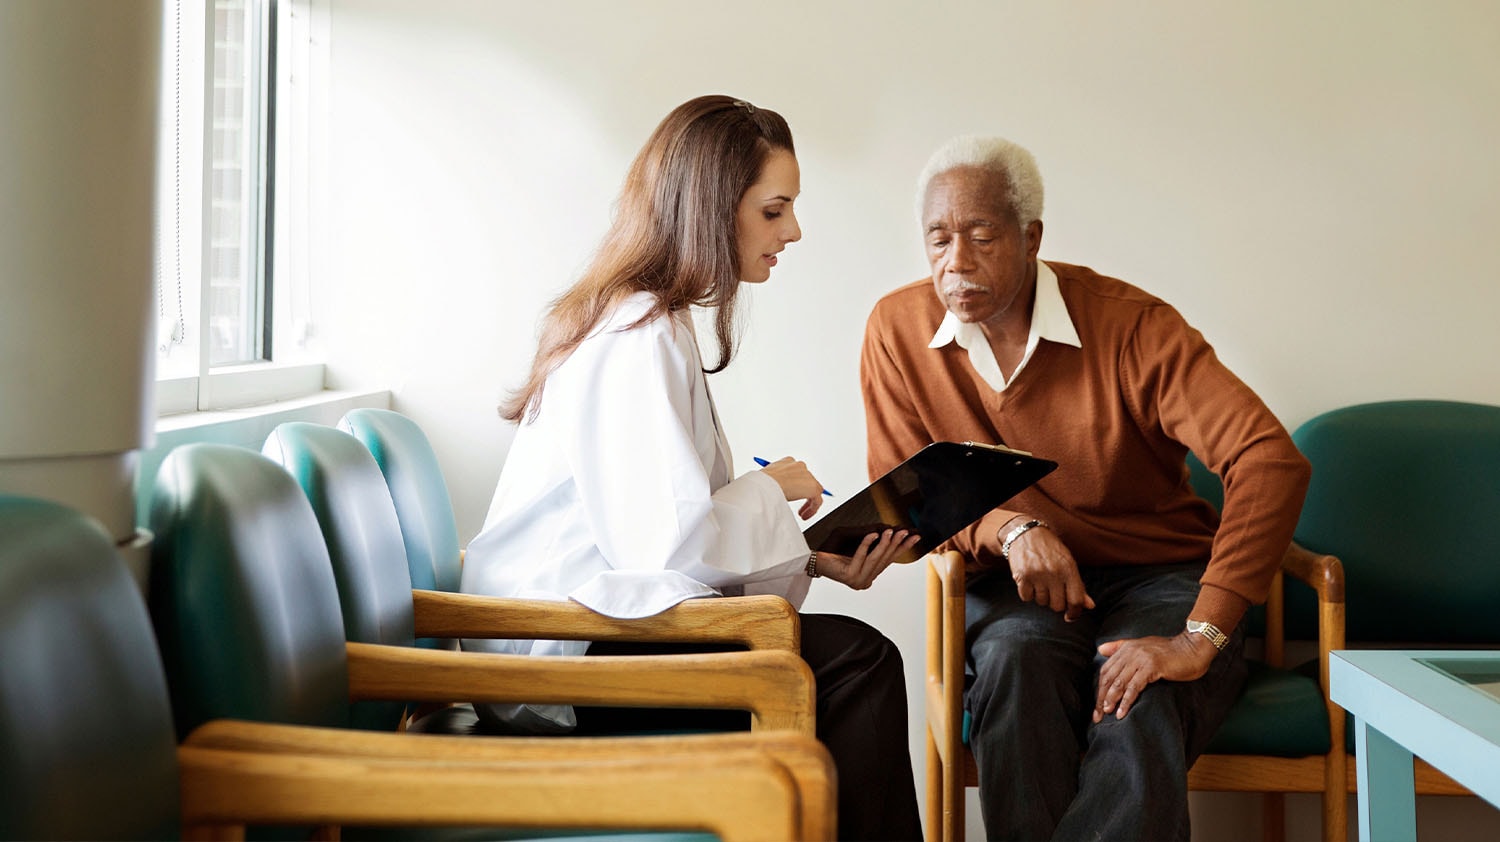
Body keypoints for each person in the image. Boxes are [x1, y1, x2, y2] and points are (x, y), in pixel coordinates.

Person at [461, 94, 923, 842]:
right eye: (775, 211)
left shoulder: (650, 324)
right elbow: (665, 550)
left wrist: (812, 554)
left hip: (593, 637)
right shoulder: (635, 336)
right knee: (858, 662)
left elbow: (667, 548)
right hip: (559, 663)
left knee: (842, 658)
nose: (793, 231)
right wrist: (770, 493)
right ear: (714, 208)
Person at [860, 135, 1311, 841]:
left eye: (981, 236)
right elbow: (907, 497)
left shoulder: (1132, 326)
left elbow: (1269, 460)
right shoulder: (897, 330)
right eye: (939, 239)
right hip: (1014, 587)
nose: (956, 263)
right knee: (1015, 664)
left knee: (1140, 692)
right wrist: (1010, 528)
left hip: (1159, 577)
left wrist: (1201, 635)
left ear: (1031, 236)